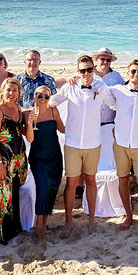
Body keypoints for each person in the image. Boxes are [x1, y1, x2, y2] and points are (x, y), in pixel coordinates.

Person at [51, 55, 108, 237]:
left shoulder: (101, 87)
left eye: (89, 69)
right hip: (73, 143)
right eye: (82, 70)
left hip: (93, 143)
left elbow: (117, 102)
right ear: (78, 71)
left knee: (91, 181)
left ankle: (91, 219)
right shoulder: (70, 86)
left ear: (93, 69)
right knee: (71, 183)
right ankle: (68, 222)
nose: (86, 73)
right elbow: (52, 102)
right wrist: (59, 123)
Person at [103, 59, 138, 238]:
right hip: (121, 144)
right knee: (123, 180)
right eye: (133, 71)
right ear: (128, 73)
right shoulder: (117, 90)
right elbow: (100, 92)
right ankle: (129, 216)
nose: (136, 75)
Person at [0, 77, 31, 244]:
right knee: (2, 196)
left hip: (18, 158)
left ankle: (13, 227)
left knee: (13, 194)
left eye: (15, 90)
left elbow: (28, 133)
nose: (11, 93)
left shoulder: (18, 108)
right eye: (8, 90)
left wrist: (30, 117)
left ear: (19, 93)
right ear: (2, 92)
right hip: (2, 159)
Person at [27, 85, 64, 240]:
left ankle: (44, 220)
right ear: (34, 96)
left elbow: (62, 129)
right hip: (38, 157)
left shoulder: (54, 110)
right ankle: (39, 224)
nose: (43, 99)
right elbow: (29, 139)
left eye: (47, 96)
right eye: (40, 96)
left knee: (52, 188)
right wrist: (29, 123)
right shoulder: (29, 113)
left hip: (54, 155)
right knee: (42, 188)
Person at [95, 47, 124, 127]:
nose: (105, 62)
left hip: (110, 122)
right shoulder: (88, 74)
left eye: (108, 60)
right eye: (102, 59)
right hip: (90, 122)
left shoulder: (117, 76)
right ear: (97, 59)